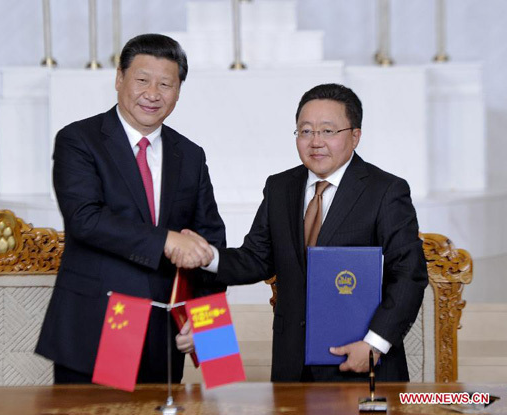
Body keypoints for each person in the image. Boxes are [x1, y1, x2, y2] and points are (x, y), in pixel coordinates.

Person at [177, 83, 428, 382]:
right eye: (306, 131)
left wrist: (375, 344)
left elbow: (409, 274)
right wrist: (208, 257)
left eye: (328, 131)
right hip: (292, 364)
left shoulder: (385, 191)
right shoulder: (280, 187)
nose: (315, 142)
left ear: (355, 136)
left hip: (360, 360)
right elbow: (256, 258)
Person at [36, 33, 226, 384]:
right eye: (142, 80)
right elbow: (85, 220)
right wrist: (167, 240)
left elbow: (209, 241)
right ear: (119, 79)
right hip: (100, 323)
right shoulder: (79, 140)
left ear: (178, 91)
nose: (152, 94)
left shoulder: (190, 155)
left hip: (164, 334)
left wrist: (208, 329)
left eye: (166, 84)